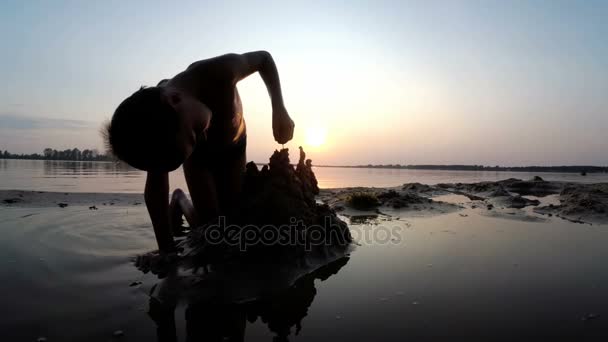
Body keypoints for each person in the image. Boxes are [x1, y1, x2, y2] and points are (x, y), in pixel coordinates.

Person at [105, 51, 295, 253]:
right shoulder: (159, 133)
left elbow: (263, 59)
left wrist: (279, 109)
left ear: (176, 99)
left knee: (230, 218)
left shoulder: (219, 72)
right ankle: (181, 200)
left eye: (195, 132)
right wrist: (166, 249)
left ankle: (180, 199)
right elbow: (155, 189)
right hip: (198, 159)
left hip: (233, 148)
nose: (204, 137)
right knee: (211, 229)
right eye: (194, 137)